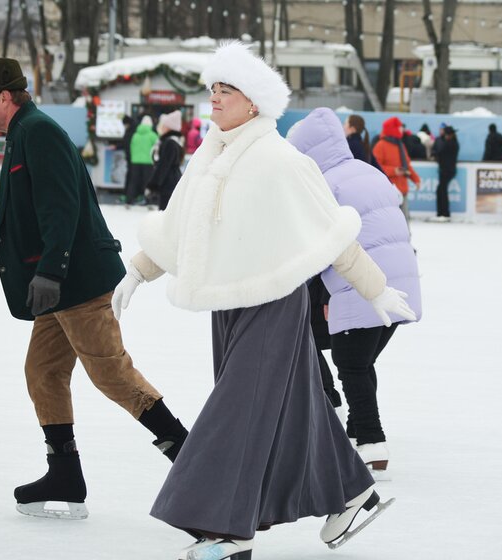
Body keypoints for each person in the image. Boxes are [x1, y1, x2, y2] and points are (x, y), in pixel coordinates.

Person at [111, 42, 415, 558]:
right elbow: (180, 227)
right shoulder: (209, 155)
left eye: (225, 91)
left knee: (239, 413)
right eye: (212, 90)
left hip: (274, 302)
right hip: (226, 306)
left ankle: (228, 532)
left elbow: (332, 232)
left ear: (254, 102)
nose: (214, 99)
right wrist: (139, 270)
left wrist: (375, 288)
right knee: (292, 410)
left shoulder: (280, 160)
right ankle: (353, 494)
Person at [0, 58, 189, 521]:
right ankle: (65, 472)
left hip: (75, 280)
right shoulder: (22, 131)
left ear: (4, 98)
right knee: (43, 372)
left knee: (112, 374)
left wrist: (51, 269)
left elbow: (61, 206)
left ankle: (193, 462)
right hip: (56, 285)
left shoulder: (38, 131)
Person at [289, 107, 422, 480]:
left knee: (348, 363)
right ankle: (343, 415)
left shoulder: (323, 184)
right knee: (357, 362)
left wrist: (323, 295)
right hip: (402, 285)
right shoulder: (365, 170)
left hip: (360, 286)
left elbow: (320, 248)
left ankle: (371, 444)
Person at [372, 116, 421, 226]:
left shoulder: (400, 145)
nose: (401, 129)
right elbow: (375, 168)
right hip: (389, 191)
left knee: (404, 222)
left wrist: (416, 179)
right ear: (392, 129)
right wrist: (394, 171)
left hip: (402, 190)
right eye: (399, 127)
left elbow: (407, 165)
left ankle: (406, 241)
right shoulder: (381, 146)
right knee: (391, 223)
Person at [147, 110, 184, 210]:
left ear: (168, 127)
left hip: (168, 182)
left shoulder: (169, 143)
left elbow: (164, 165)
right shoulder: (176, 141)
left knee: (165, 213)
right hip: (172, 180)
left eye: (163, 125)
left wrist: (153, 184)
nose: (161, 127)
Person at [125, 114, 158, 205]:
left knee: (133, 181)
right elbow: (157, 148)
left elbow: (131, 147)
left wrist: (133, 158)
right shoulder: (153, 135)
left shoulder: (135, 135)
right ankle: (148, 200)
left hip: (135, 161)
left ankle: (129, 199)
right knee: (147, 182)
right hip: (148, 162)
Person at [430, 125, 459, 222]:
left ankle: (444, 213)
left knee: (441, 190)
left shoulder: (450, 143)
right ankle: (442, 213)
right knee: (441, 190)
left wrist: (435, 155)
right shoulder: (452, 142)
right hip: (446, 170)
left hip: (447, 170)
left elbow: (440, 152)